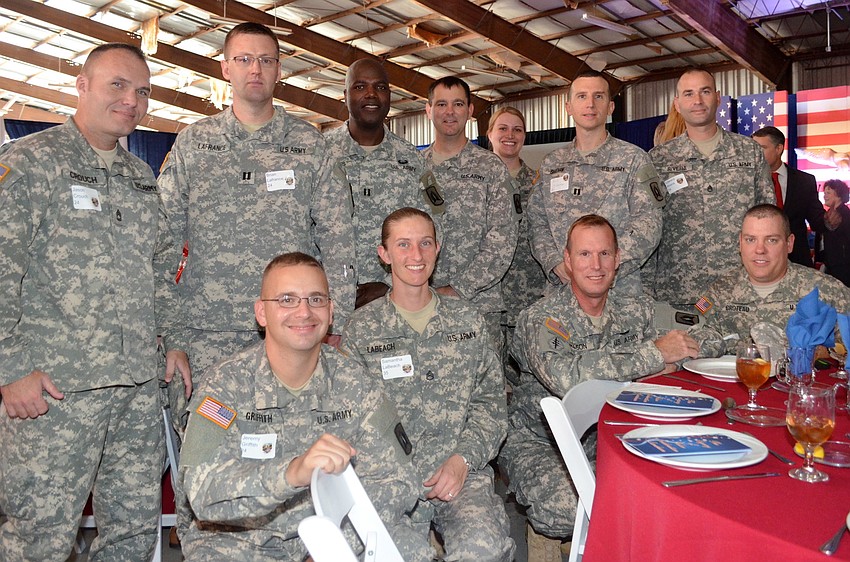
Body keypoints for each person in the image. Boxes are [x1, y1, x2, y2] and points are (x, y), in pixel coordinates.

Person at [0, 43, 189, 561]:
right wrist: (11, 367)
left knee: (131, 534)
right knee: (40, 537)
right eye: (118, 85)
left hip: (136, 389)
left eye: (143, 91)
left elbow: (160, 270)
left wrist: (170, 343)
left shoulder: (141, 178)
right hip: (57, 391)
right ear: (81, 85)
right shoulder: (31, 162)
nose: (132, 100)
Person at [179, 252, 430, 561]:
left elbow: (399, 479)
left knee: (411, 549)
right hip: (241, 542)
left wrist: (336, 544)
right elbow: (202, 492)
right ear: (261, 313)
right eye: (286, 300)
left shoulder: (356, 382)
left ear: (330, 311)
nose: (303, 312)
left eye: (315, 299)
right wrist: (291, 473)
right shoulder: (224, 386)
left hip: (336, 535)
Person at [500, 214, 719, 561]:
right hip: (543, 444)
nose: (596, 265)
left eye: (605, 254)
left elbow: (699, 334)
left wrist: (682, 350)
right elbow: (570, 377)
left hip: (613, 439)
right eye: (585, 255)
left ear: (618, 260)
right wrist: (652, 356)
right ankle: (552, 539)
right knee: (568, 507)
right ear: (567, 261)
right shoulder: (540, 319)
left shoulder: (637, 310)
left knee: (674, 495)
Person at [158, 22, 355, 385]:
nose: (255, 69)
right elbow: (162, 243)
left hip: (292, 326)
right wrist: (171, 333)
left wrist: (334, 320)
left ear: (279, 70)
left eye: (266, 60)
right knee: (210, 435)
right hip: (206, 332)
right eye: (244, 59)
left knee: (295, 434)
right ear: (225, 67)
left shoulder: (309, 145)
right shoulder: (194, 144)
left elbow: (338, 239)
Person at [341, 208, 515, 561]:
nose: (416, 255)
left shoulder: (468, 321)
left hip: (459, 474)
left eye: (425, 243)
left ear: (438, 249)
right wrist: (387, 473)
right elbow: (349, 418)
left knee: (484, 551)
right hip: (388, 479)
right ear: (384, 255)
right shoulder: (361, 330)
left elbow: (491, 407)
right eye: (403, 245)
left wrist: (462, 460)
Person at [647, 67, 774, 308]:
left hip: (739, 289)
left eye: (705, 92)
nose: (697, 101)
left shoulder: (750, 153)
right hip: (678, 292)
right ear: (677, 104)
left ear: (717, 98)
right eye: (688, 94)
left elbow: (768, 221)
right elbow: (649, 226)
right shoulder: (659, 160)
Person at [528, 70, 662, 296]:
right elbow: (536, 223)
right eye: (581, 96)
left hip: (618, 292)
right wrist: (555, 264)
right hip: (563, 291)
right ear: (568, 107)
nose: (590, 104)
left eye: (598, 96)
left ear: (610, 107)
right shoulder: (552, 164)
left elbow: (649, 224)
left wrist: (602, 269)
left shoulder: (634, 160)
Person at [324, 58, 431, 309]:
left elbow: (432, 227)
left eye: (380, 87)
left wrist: (388, 283)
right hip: (328, 301)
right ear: (345, 95)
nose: (371, 94)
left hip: (396, 300)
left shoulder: (411, 160)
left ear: (390, 96)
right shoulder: (321, 154)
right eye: (360, 87)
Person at [422, 76, 517, 352]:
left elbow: (502, 241)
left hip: (479, 309)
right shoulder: (416, 169)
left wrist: (457, 289)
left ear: (470, 111)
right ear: (428, 110)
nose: (449, 112)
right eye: (441, 104)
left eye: (457, 104)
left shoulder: (491, 168)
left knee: (484, 394)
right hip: (424, 309)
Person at [694, 204, 850, 349]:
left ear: (789, 244)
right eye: (750, 240)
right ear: (740, 243)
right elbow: (697, 339)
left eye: (771, 240)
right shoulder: (719, 291)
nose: (760, 249)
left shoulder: (827, 290)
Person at [486, 106, 546, 384]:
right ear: (489, 134)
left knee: (527, 381)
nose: (510, 135)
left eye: (517, 129)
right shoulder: (477, 181)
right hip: (486, 299)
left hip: (528, 298)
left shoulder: (540, 183)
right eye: (503, 128)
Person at [752, 126, 824, 267]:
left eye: (761, 148)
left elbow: (816, 220)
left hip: (797, 262)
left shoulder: (804, 181)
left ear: (778, 149)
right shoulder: (746, 181)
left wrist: (830, 221)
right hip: (759, 261)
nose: (756, 154)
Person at [820, 180, 850, 286]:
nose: (824, 196)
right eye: (824, 193)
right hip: (832, 268)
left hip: (842, 270)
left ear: (839, 195)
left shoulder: (845, 215)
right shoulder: (828, 215)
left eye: (828, 193)